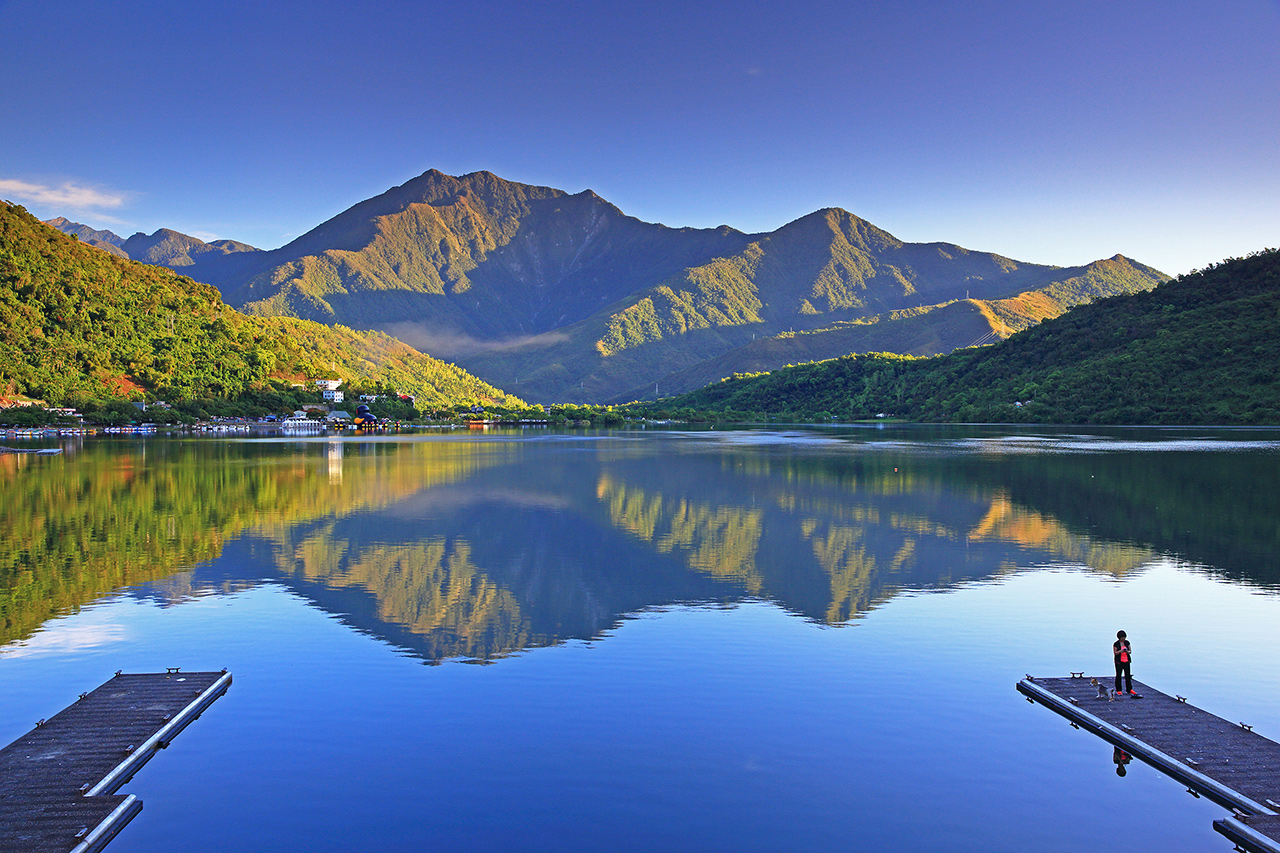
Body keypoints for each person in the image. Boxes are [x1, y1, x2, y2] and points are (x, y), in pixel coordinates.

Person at [1113, 630, 1135, 695]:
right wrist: (1121, 651)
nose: (1123, 639)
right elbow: (1115, 653)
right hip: (1119, 662)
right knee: (1118, 675)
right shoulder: (1116, 644)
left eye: (1124, 637)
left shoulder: (1127, 643)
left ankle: (1129, 689)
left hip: (1126, 661)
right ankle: (1119, 690)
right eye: (1122, 637)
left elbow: (1130, 651)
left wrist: (1127, 651)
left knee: (1128, 675)